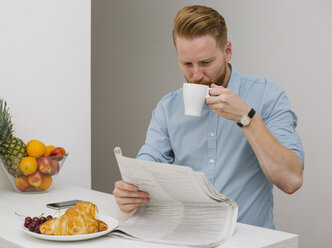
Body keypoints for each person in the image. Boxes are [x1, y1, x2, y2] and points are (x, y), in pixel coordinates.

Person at [112, 5, 304, 229]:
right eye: (187, 64)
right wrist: (130, 191)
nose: (196, 75)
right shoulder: (168, 107)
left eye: (205, 63)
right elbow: (147, 166)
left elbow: (291, 180)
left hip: (249, 240)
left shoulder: (268, 96)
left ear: (227, 51)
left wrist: (246, 117)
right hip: (189, 237)